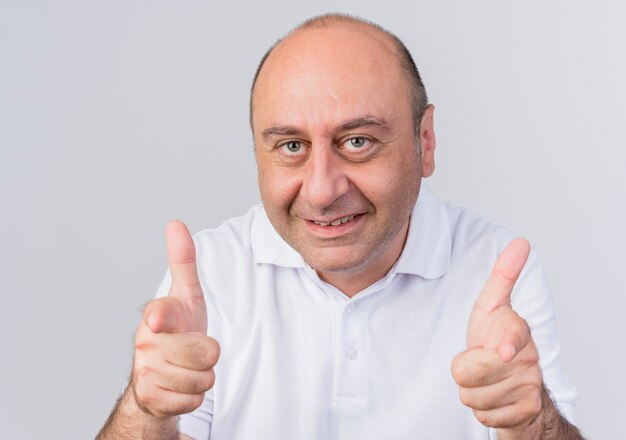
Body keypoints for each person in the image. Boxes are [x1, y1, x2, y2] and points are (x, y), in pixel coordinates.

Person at [97, 13, 585, 440]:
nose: (322, 191)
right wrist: (146, 414)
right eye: (291, 146)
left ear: (426, 141)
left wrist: (530, 424)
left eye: (357, 141)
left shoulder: (497, 268)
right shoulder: (210, 272)